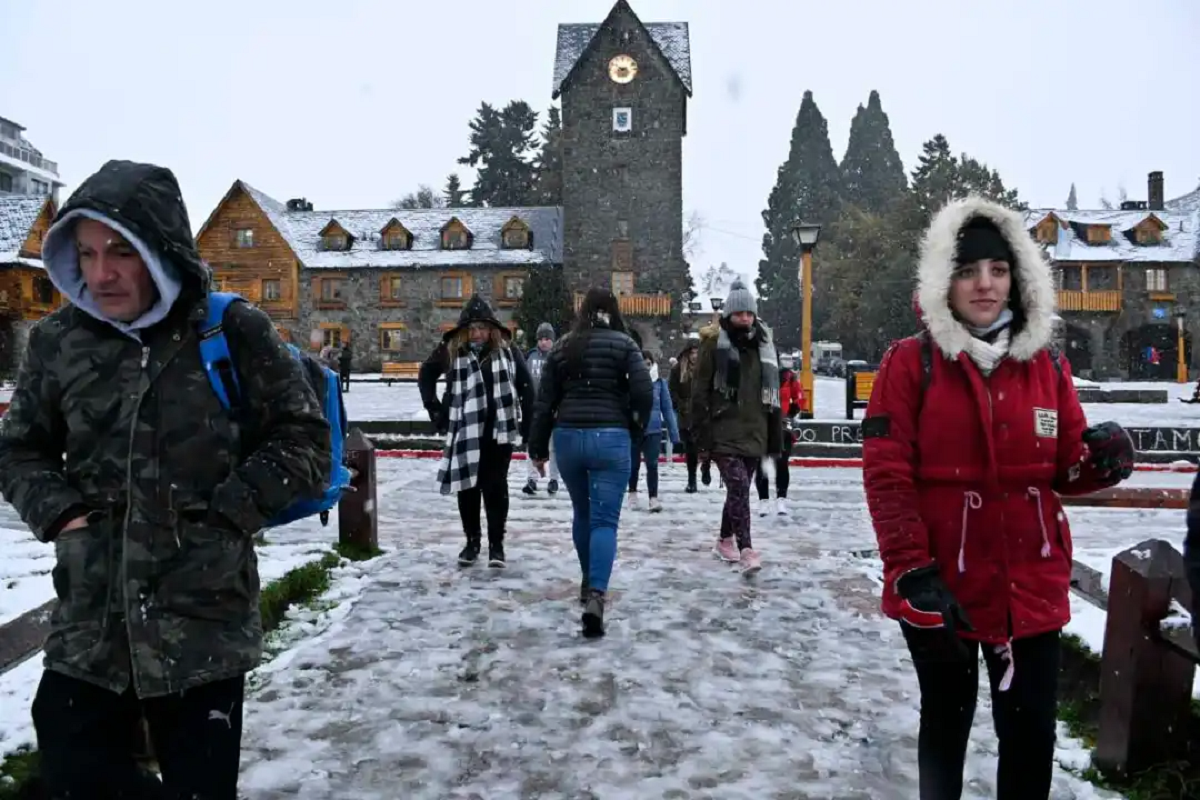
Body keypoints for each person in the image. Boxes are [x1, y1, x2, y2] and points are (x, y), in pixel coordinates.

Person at [0, 159, 332, 798]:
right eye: (87, 253)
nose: (101, 273)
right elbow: (18, 450)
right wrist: (63, 516)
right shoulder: (57, 341)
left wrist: (227, 515)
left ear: (160, 248)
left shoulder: (231, 329)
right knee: (72, 778)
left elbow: (303, 438)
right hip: (90, 624)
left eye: (121, 251)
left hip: (201, 628)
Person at [862, 196, 1136, 800]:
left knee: (1031, 736)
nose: (984, 284)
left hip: (1030, 586)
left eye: (998, 269)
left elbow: (1064, 468)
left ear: (1018, 278)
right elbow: (887, 476)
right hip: (941, 585)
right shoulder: (909, 364)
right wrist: (910, 568)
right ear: (944, 280)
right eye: (967, 271)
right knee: (946, 725)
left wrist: (1098, 463)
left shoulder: (1047, 367)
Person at [527, 288, 652, 638]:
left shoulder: (563, 347)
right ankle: (597, 594)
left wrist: (538, 448)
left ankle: (587, 580)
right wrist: (635, 425)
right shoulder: (625, 345)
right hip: (610, 436)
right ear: (613, 311)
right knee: (604, 521)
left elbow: (544, 402)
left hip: (568, 437)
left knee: (582, 513)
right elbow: (644, 391)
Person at [419, 295, 534, 569]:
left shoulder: (508, 350)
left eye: (482, 328)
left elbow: (527, 386)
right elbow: (426, 374)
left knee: (496, 488)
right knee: (468, 487)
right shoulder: (451, 350)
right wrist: (436, 410)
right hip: (464, 429)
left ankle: (496, 545)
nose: (477, 334)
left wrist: (528, 426)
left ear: (491, 329)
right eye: (471, 328)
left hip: (498, 431)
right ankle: (472, 542)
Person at [691, 279, 782, 575]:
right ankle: (746, 549)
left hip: (755, 430)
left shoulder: (765, 345)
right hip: (723, 431)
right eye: (739, 313)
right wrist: (702, 438)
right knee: (740, 486)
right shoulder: (713, 345)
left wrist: (774, 435)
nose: (745, 318)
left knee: (737, 491)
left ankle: (724, 539)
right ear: (729, 315)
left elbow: (773, 394)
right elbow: (700, 392)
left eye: (749, 313)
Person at [628, 351, 681, 512]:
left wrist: (674, 435)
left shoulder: (660, 383)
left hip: (654, 429)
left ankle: (653, 497)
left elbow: (667, 409)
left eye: (648, 364)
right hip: (634, 429)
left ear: (652, 364)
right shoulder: (630, 382)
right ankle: (632, 492)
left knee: (652, 464)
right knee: (633, 464)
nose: (645, 367)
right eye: (642, 364)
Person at [754, 366, 803, 516]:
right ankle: (763, 500)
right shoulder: (758, 374)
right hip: (762, 424)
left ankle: (781, 499)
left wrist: (794, 409)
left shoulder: (789, 377)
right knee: (762, 464)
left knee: (782, 463)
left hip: (782, 425)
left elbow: (799, 397)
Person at [522, 322, 560, 497]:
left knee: (553, 446)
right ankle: (532, 478)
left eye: (547, 339)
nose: (544, 342)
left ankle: (553, 479)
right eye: (541, 339)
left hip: (552, 409)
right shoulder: (530, 357)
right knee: (531, 444)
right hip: (534, 409)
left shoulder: (558, 357)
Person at [668, 336, 701, 492]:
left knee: (703, 446)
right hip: (685, 413)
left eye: (697, 352)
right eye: (692, 352)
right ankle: (692, 479)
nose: (695, 356)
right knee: (691, 448)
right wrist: (680, 404)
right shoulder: (678, 369)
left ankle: (705, 469)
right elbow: (672, 390)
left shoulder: (705, 369)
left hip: (701, 412)